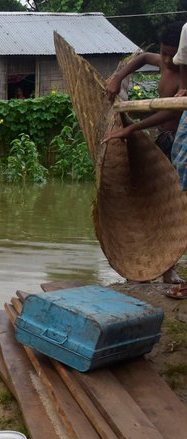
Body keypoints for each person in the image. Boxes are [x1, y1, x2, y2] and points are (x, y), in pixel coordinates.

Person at [102, 21, 187, 290]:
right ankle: (146, 265)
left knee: (173, 209)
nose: (164, 59)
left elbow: (172, 112)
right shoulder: (164, 62)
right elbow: (140, 58)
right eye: (163, 52)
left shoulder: (183, 77)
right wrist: (118, 76)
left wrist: (133, 128)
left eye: (171, 55)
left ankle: (168, 268)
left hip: (178, 143)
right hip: (161, 140)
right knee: (152, 205)